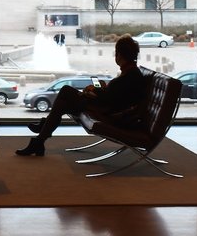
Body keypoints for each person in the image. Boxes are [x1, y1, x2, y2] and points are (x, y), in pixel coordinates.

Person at [17, 34, 149, 157]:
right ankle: (39, 140)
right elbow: (115, 96)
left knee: (66, 91)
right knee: (63, 104)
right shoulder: (131, 73)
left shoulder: (130, 76)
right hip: (107, 108)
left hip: (107, 113)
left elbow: (110, 100)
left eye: (116, 53)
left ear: (119, 55)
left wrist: (94, 91)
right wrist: (100, 89)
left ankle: (42, 131)